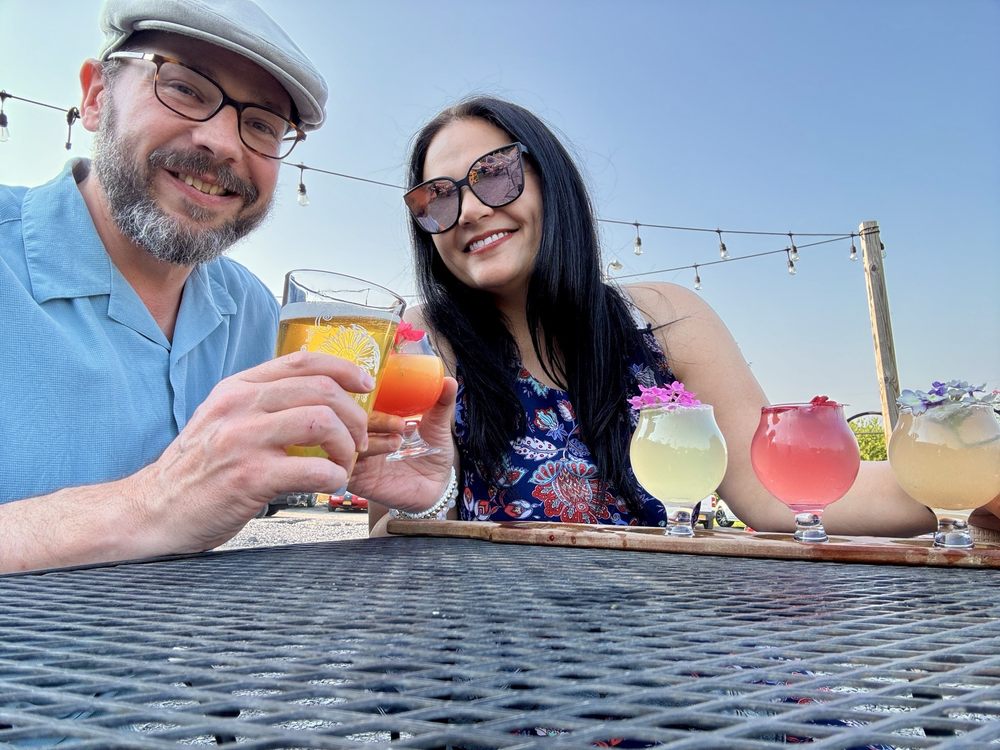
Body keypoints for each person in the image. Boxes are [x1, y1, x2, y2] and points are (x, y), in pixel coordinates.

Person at [360, 95, 999, 537]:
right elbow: (392, 538)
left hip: (664, 650)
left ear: (551, 178)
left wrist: (971, 488)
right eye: (436, 199)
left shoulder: (664, 318)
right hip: (493, 655)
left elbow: (775, 491)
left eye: (495, 175)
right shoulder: (419, 343)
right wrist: (428, 503)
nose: (470, 211)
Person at [0, 0, 447, 574]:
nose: (223, 142)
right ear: (95, 98)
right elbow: (173, 503)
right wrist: (152, 503)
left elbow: (347, 482)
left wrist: (408, 497)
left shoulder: (256, 314)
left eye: (261, 124)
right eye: (184, 88)